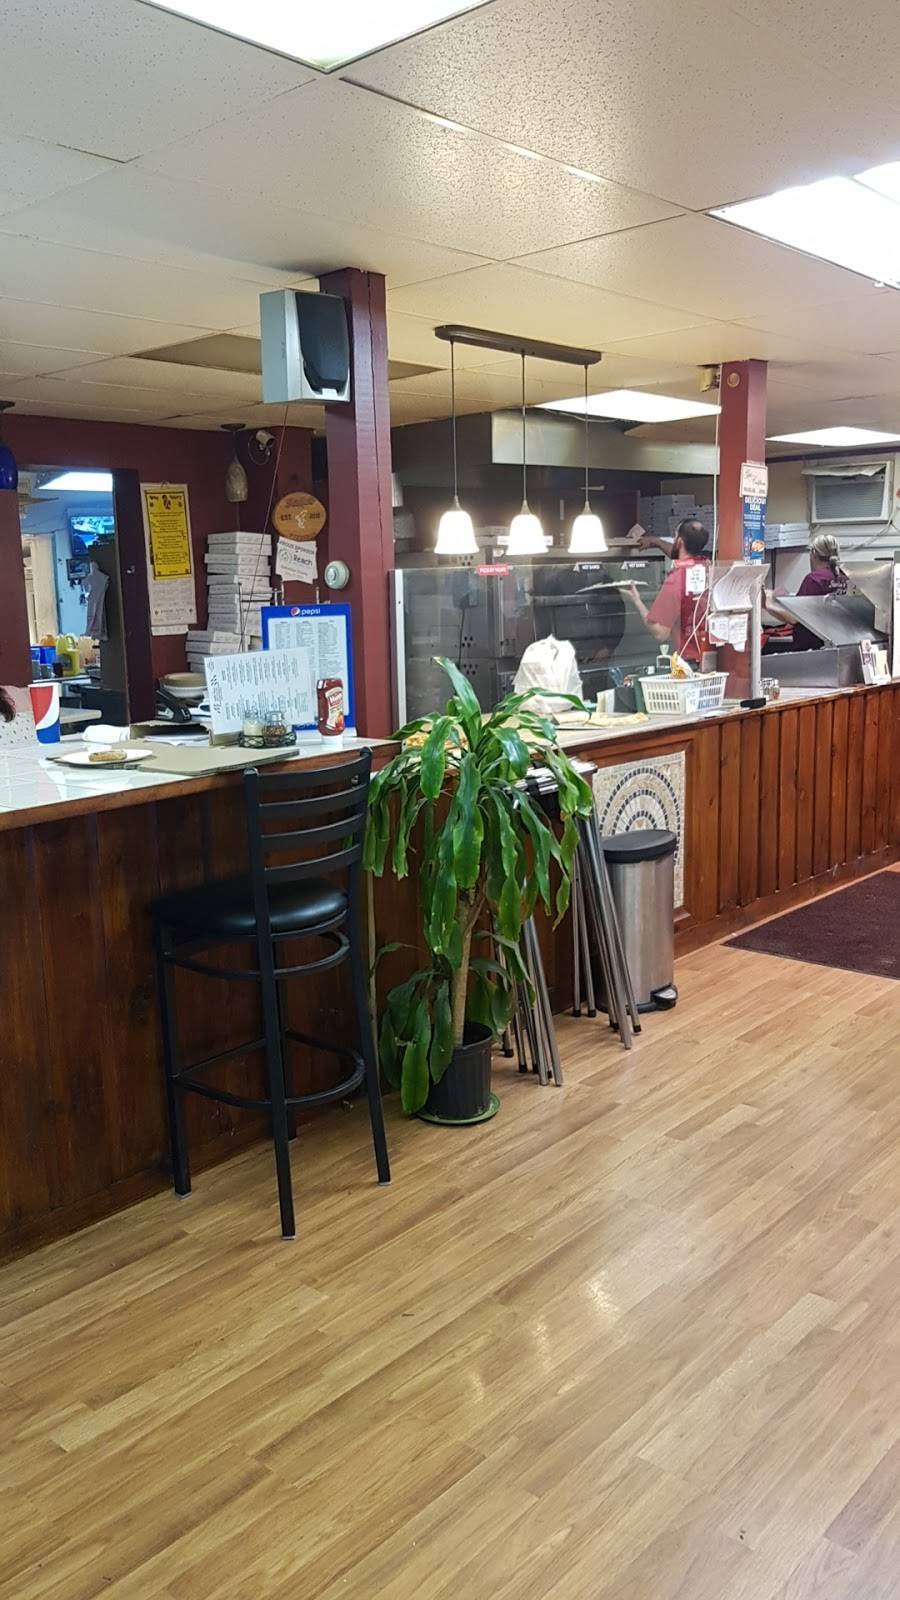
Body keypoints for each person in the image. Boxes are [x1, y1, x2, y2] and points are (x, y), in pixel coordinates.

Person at [625, 518, 711, 663]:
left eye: (675, 536)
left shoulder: (676, 580)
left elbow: (660, 633)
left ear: (679, 541)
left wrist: (636, 601)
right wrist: (655, 541)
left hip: (688, 662)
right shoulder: (707, 567)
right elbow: (678, 553)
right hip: (709, 656)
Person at [766, 533, 847, 651]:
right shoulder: (843, 577)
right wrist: (788, 598)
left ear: (813, 554)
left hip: (812, 647)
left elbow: (794, 618)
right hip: (836, 644)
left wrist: (768, 605)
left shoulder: (814, 580)